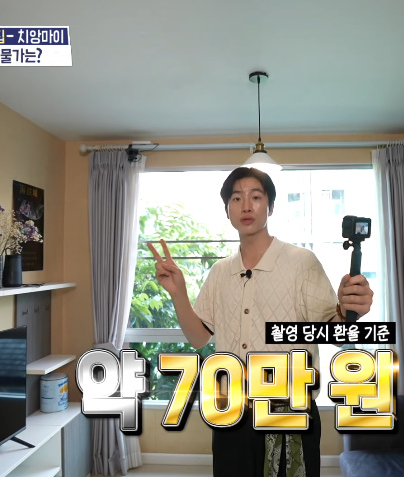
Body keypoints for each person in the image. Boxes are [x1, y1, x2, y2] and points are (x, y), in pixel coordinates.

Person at [147, 166, 373, 477]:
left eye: (256, 197)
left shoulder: (301, 262)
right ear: (227, 210)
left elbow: (334, 331)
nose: (246, 205)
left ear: (271, 206)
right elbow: (199, 337)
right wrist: (178, 293)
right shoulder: (220, 272)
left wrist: (350, 310)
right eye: (236, 198)